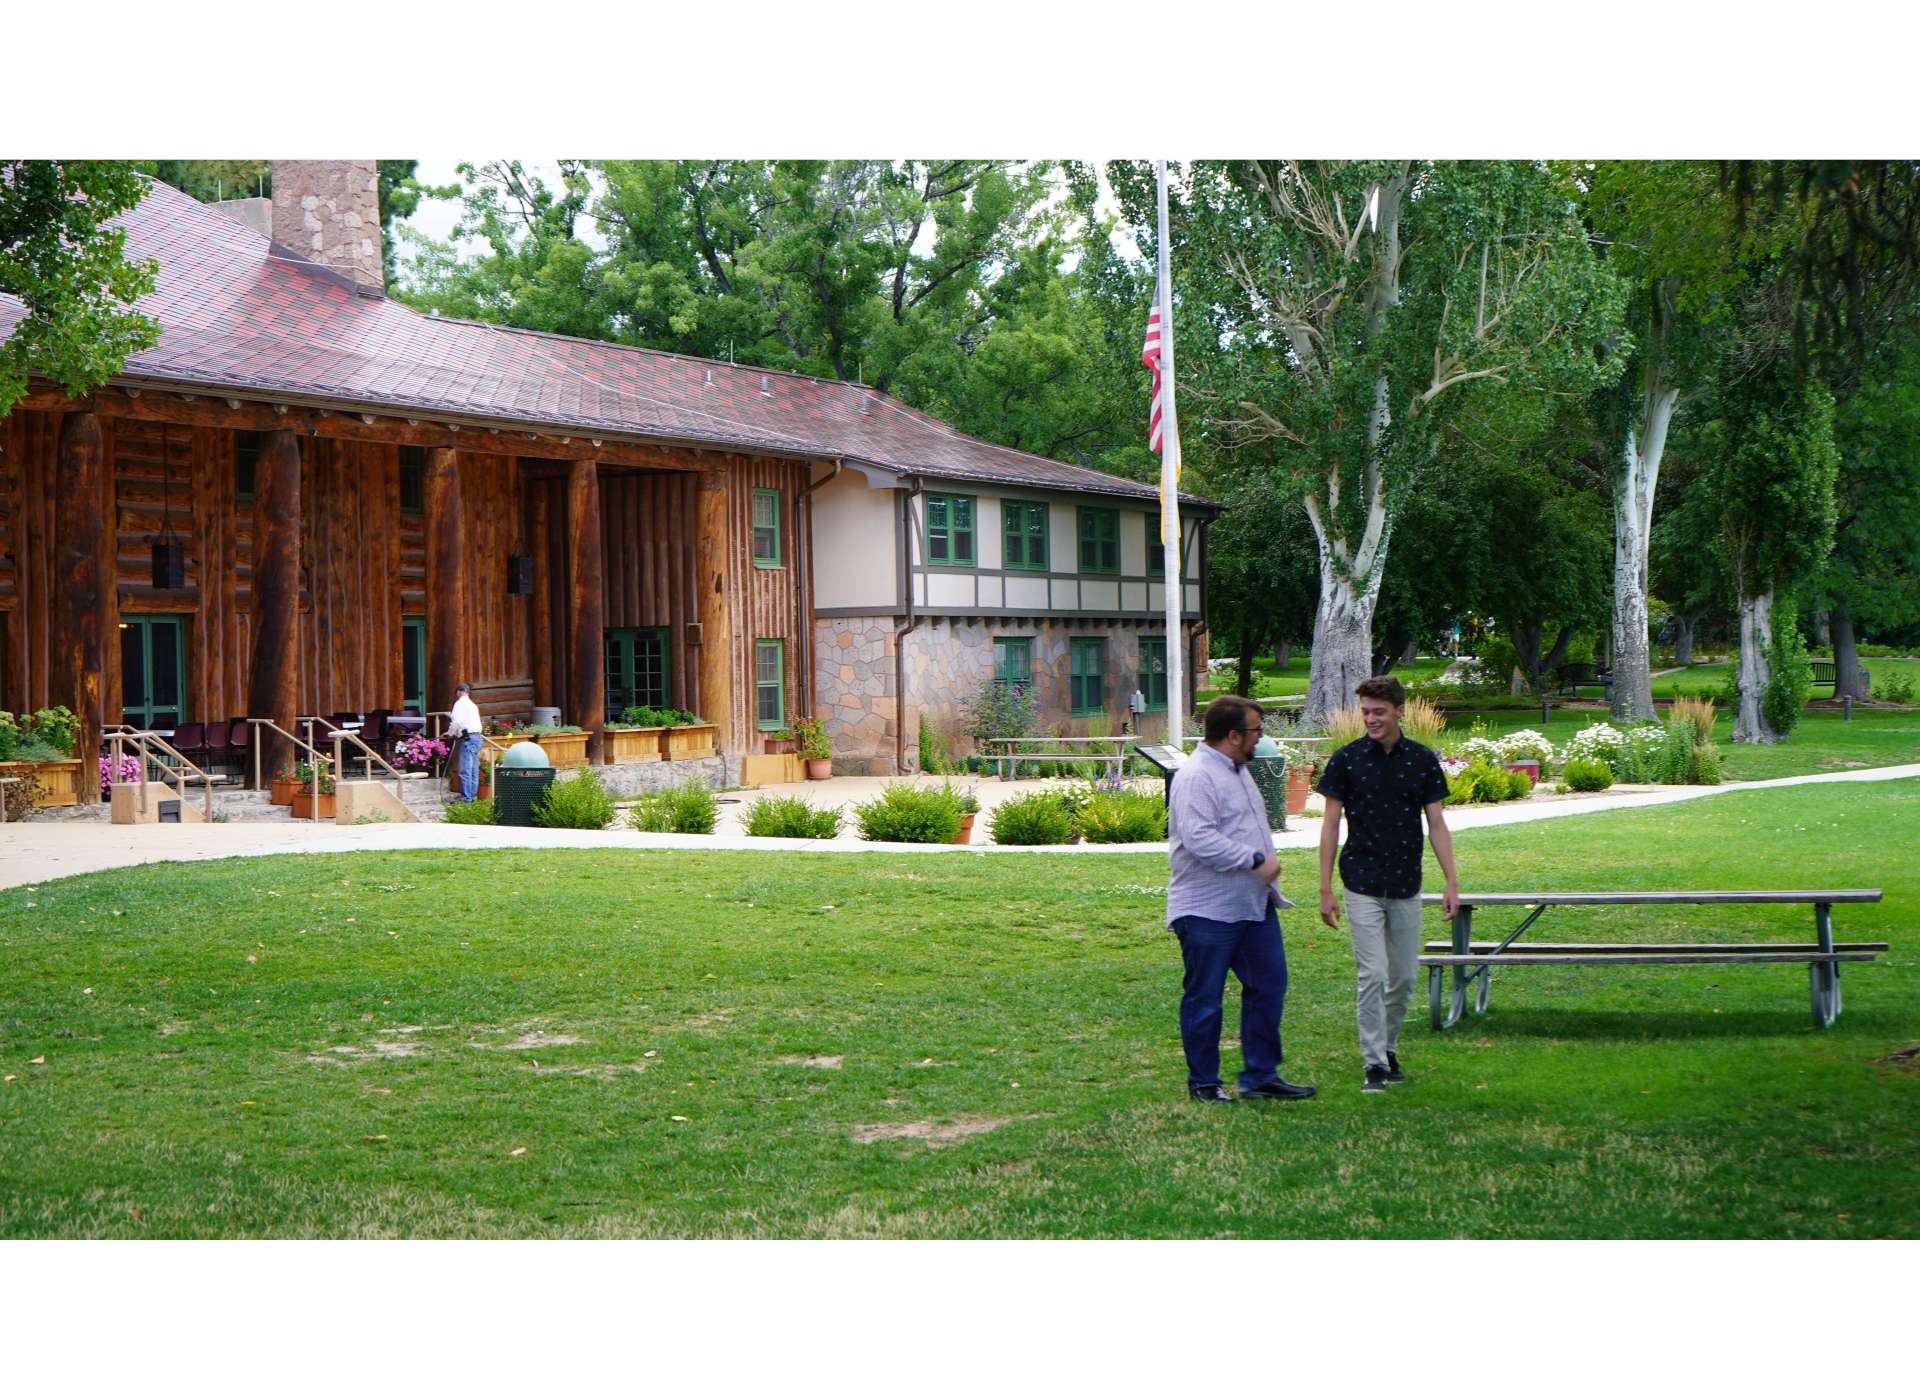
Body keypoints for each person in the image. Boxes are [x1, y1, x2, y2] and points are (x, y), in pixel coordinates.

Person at [1165, 695, 1315, 1104]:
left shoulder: (1236, 768)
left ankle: (1260, 1076)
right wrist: (1252, 858)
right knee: (1205, 999)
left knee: (1269, 986)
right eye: (1256, 732)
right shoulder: (1197, 776)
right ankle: (1204, 1085)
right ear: (1233, 736)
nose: (1261, 739)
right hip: (1206, 911)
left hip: (1252, 906)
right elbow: (1198, 839)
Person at [1315, 675, 1460, 1094]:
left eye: (1379, 712)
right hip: (1360, 882)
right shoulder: (1346, 760)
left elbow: (1437, 824)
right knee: (1373, 975)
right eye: (1365, 713)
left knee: (1403, 978)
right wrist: (1324, 889)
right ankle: (1374, 1063)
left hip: (1405, 884)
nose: (1371, 720)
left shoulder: (1421, 760)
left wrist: (1452, 882)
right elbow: (1328, 826)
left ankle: (1389, 1047)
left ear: (1399, 711)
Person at [447, 681, 484, 801]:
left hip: (468, 738)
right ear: (468, 692)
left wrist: (450, 733)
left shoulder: (459, 704)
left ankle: (466, 798)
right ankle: (472, 796)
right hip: (477, 737)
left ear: (459, 692)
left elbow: (456, 722)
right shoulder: (473, 705)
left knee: (465, 770)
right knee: (473, 770)